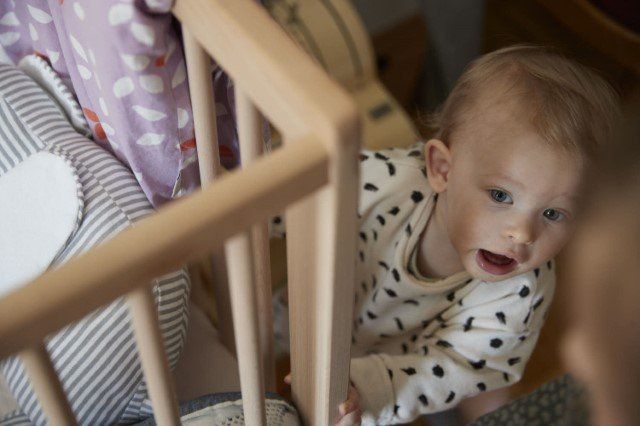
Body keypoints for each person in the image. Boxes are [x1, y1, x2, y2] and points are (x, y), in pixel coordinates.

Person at [316, 44, 619, 425]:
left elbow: (463, 365)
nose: (522, 233)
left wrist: (370, 388)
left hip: (405, 376)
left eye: (554, 213)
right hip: (320, 312)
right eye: (500, 195)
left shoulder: (522, 290)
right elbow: (300, 198)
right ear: (442, 168)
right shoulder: (383, 185)